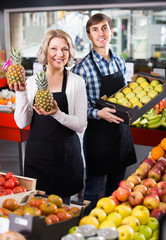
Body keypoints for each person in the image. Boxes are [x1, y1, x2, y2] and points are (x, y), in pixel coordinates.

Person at [10, 29, 87, 204]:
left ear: (70, 51)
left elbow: (81, 125)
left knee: (63, 212)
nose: (59, 54)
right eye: (54, 48)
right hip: (38, 157)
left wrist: (58, 114)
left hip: (66, 158)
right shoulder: (30, 82)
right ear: (45, 51)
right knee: (36, 208)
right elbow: (22, 123)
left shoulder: (77, 82)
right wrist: (21, 94)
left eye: (65, 49)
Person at [72, 13, 137, 213]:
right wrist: (98, 113)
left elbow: (122, 96)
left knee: (117, 190)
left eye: (104, 28)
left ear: (111, 31)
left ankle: (111, 226)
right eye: (95, 29)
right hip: (98, 137)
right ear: (89, 36)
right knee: (92, 190)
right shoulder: (82, 68)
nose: (101, 33)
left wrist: (133, 92)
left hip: (121, 135)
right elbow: (77, 108)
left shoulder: (119, 60)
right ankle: (87, 226)